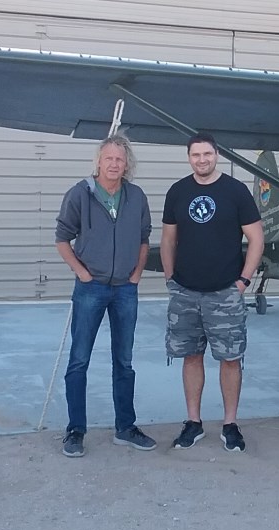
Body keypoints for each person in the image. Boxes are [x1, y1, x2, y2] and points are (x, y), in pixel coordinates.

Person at [160, 132, 264, 452]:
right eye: (196, 155)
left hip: (224, 293)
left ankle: (230, 424)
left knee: (230, 359)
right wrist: (170, 280)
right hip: (186, 292)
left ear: (216, 155)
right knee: (191, 357)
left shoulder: (236, 192)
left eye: (207, 154)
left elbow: (257, 239)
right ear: (188, 157)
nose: (202, 160)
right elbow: (167, 240)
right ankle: (193, 422)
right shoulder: (178, 192)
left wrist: (243, 281)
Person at [54, 134, 155, 458]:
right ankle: (75, 430)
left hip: (125, 289)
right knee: (79, 360)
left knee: (124, 361)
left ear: (127, 165)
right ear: (98, 161)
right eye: (109, 158)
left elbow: (143, 239)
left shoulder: (136, 196)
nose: (114, 164)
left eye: (120, 160)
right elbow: (61, 239)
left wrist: (137, 274)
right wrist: (82, 273)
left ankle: (125, 427)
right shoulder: (80, 194)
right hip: (91, 288)